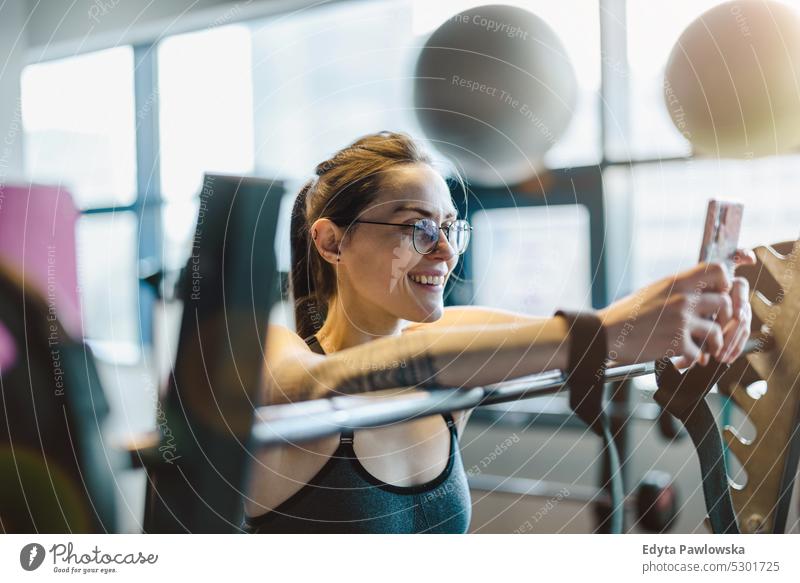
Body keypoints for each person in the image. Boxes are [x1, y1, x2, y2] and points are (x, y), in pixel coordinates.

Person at [242, 130, 755, 533]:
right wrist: (610, 330)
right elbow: (313, 384)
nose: (445, 252)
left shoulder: (456, 340)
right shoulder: (276, 350)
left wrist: (693, 316)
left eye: (450, 228)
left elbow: (588, 328)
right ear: (332, 242)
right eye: (418, 226)